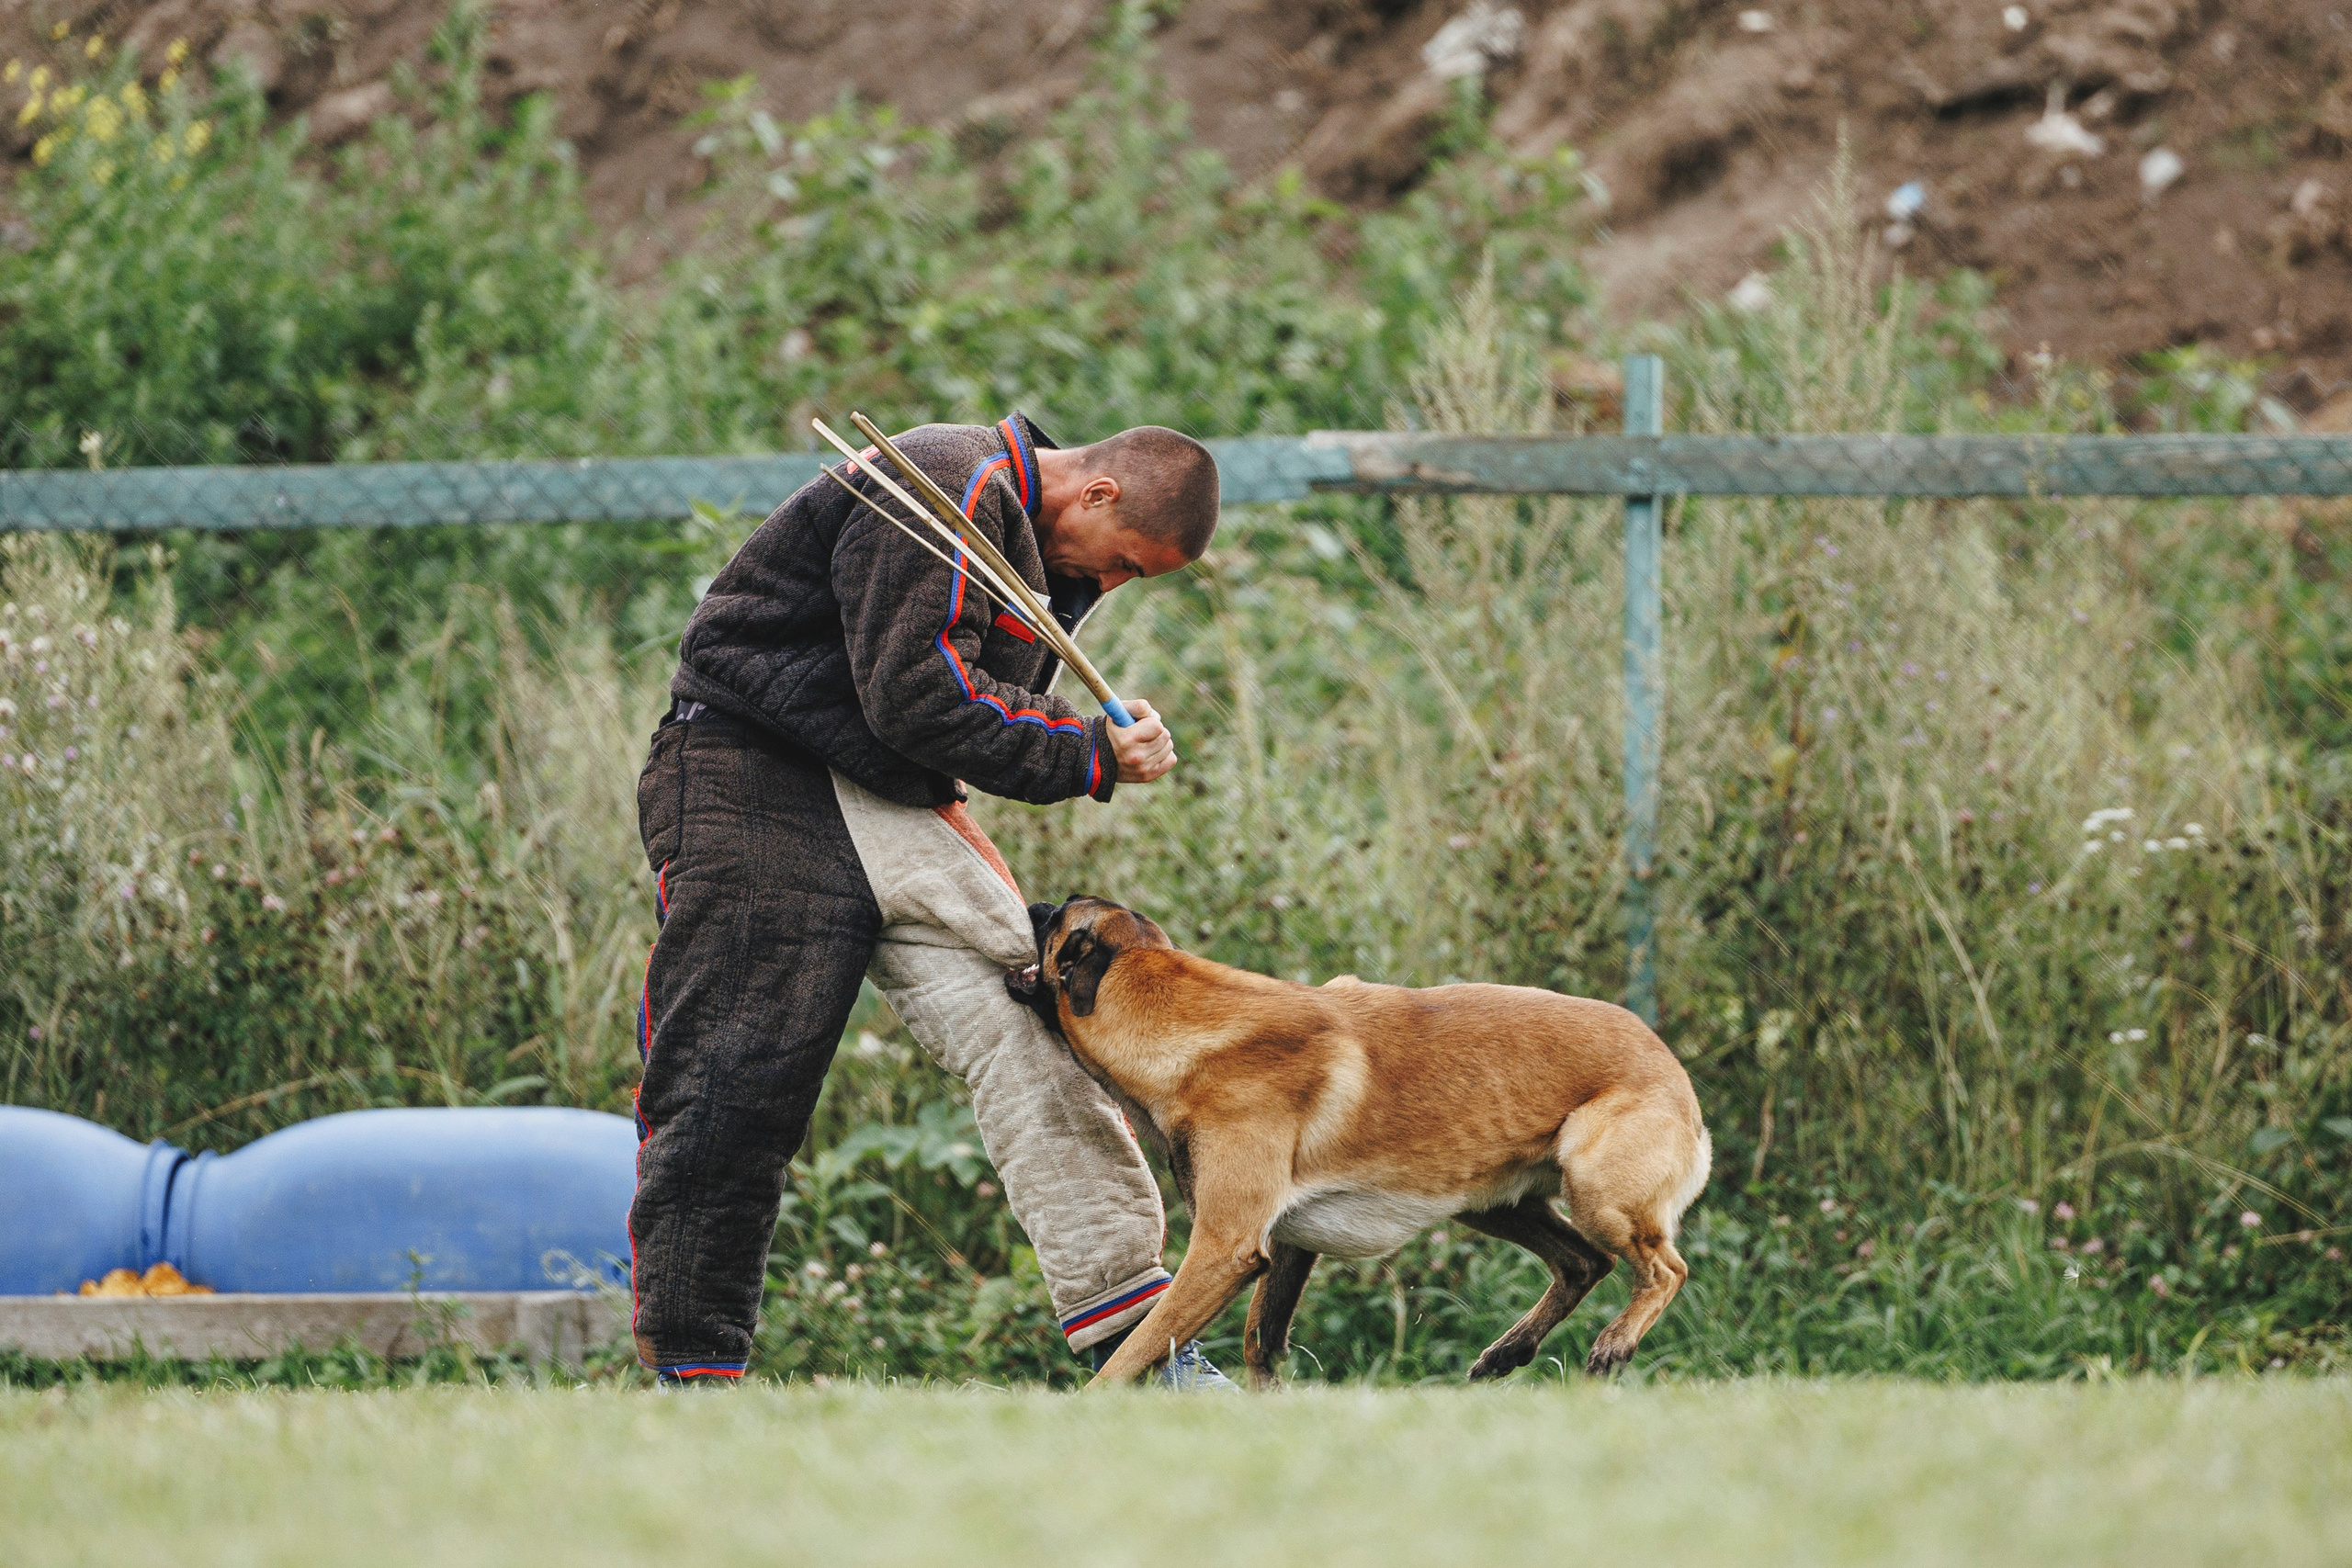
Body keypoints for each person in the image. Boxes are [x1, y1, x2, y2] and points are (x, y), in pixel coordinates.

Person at [630, 412, 1228, 1386]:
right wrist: (1086, 753)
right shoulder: (950, 479)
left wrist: (1091, 743)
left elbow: (954, 712)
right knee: (733, 1080)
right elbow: (916, 695)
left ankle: (1141, 1352)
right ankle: (693, 1373)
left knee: (1045, 1032)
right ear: (1098, 493)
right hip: (753, 780)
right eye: (1124, 564)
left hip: (899, 805)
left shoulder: (1038, 548)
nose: (1113, 586)